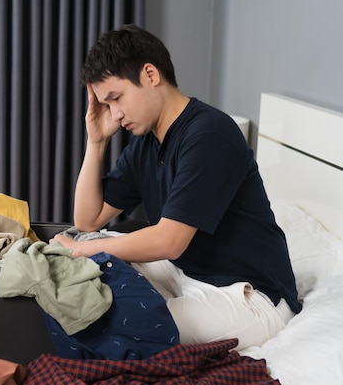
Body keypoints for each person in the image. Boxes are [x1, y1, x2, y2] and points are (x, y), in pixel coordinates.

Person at [50, 24, 301, 350]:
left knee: (109, 320)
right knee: (87, 246)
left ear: (150, 75)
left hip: (248, 295)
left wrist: (86, 249)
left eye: (116, 98)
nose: (116, 114)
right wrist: (96, 142)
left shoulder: (210, 134)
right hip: (186, 273)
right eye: (107, 105)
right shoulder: (145, 143)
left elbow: (170, 241)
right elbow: (88, 220)